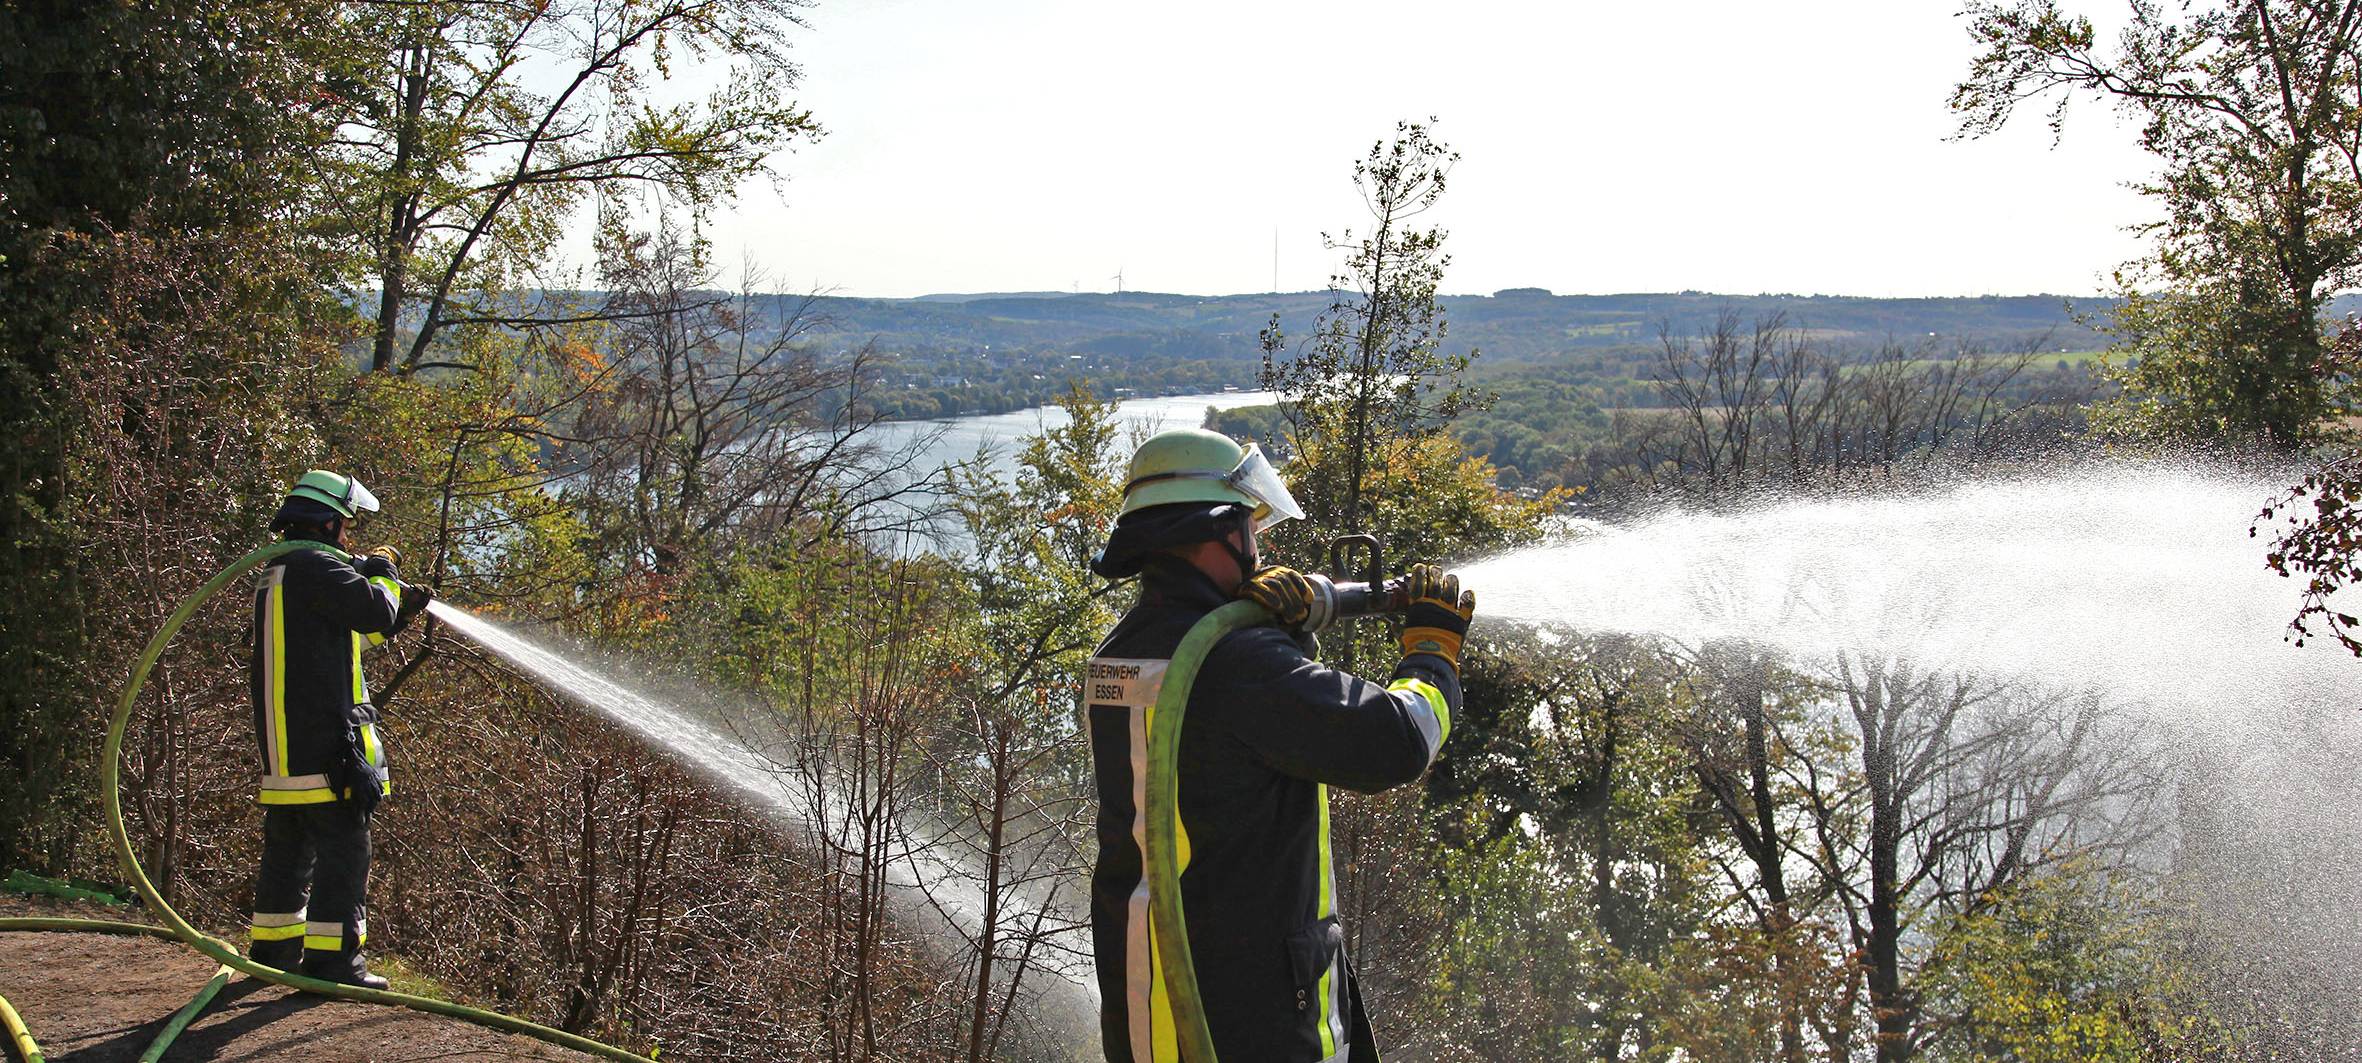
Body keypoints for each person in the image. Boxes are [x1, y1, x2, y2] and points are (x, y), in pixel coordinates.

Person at [1085, 428, 1474, 1062]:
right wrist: (1432, 656)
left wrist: (1281, 634)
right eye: (1251, 529)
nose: (1259, 549)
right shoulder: (1237, 660)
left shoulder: (1121, 654)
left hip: (1151, 1007)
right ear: (1219, 532)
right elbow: (1397, 741)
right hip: (1254, 1017)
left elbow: (1232, 742)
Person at [245, 470, 430, 989]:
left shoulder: (280, 573)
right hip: (327, 746)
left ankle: (273, 953)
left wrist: (402, 612)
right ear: (327, 522)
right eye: (347, 527)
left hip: (285, 750)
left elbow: (340, 643)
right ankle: (334, 963)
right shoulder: (316, 566)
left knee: (289, 852)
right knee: (346, 850)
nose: (350, 538)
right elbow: (372, 606)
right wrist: (387, 573)